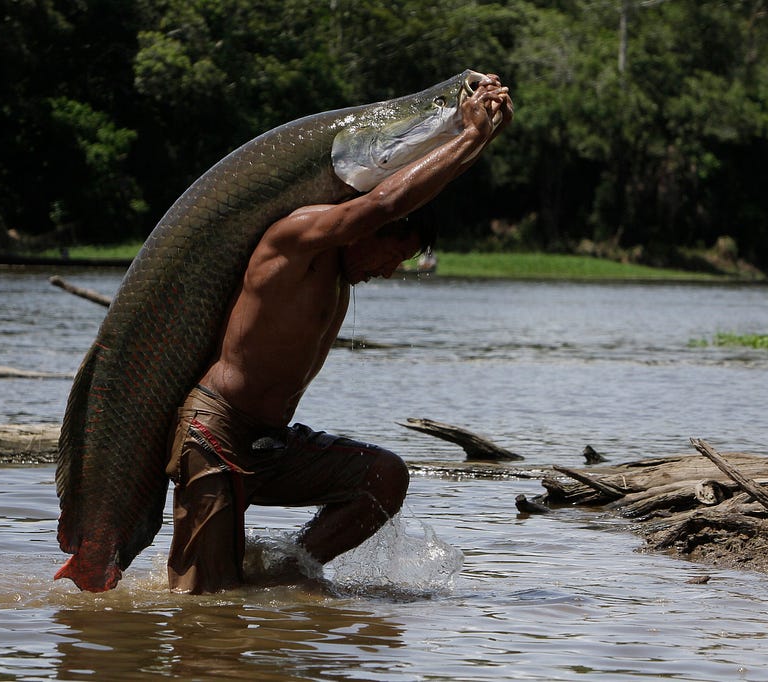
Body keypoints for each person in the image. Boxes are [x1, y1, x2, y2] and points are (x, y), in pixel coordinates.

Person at [165, 76, 514, 594]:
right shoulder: (298, 237)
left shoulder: (338, 284)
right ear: (367, 230)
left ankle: (287, 568)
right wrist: (466, 137)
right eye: (393, 255)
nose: (390, 270)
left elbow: (390, 207)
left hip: (270, 443)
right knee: (203, 607)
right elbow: (382, 203)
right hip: (216, 434)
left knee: (383, 476)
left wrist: (483, 135)